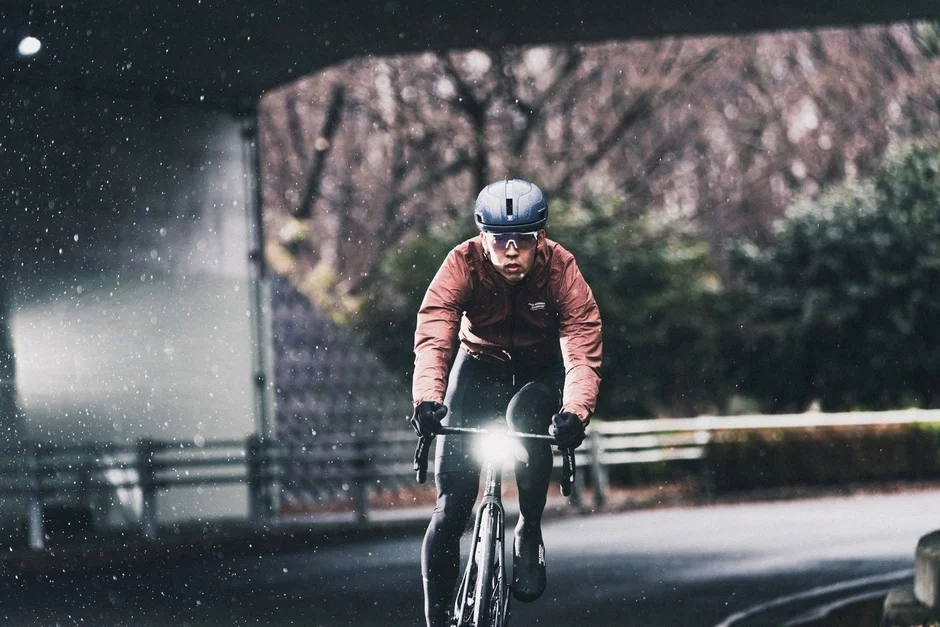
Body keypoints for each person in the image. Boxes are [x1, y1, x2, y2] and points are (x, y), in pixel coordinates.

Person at [410, 178, 603, 626]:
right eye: (501, 239)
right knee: (450, 509)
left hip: (540, 373)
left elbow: (580, 345)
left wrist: (575, 411)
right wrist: (428, 400)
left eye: (524, 240)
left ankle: (529, 531)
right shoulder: (461, 263)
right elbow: (436, 333)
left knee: (525, 418)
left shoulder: (561, 270)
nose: (512, 250)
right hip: (478, 366)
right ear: (484, 236)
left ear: (541, 238)